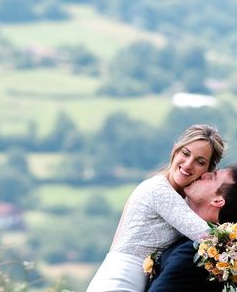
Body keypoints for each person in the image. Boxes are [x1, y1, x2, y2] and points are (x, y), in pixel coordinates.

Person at [86, 124, 225, 292]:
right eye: (185, 153)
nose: (188, 164)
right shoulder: (159, 190)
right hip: (120, 281)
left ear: (207, 171)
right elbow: (209, 237)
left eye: (200, 162)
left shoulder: (183, 198)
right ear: (175, 151)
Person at [146, 164, 237, 292]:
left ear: (217, 201)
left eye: (213, 177)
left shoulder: (194, 254)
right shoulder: (204, 253)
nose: (204, 174)